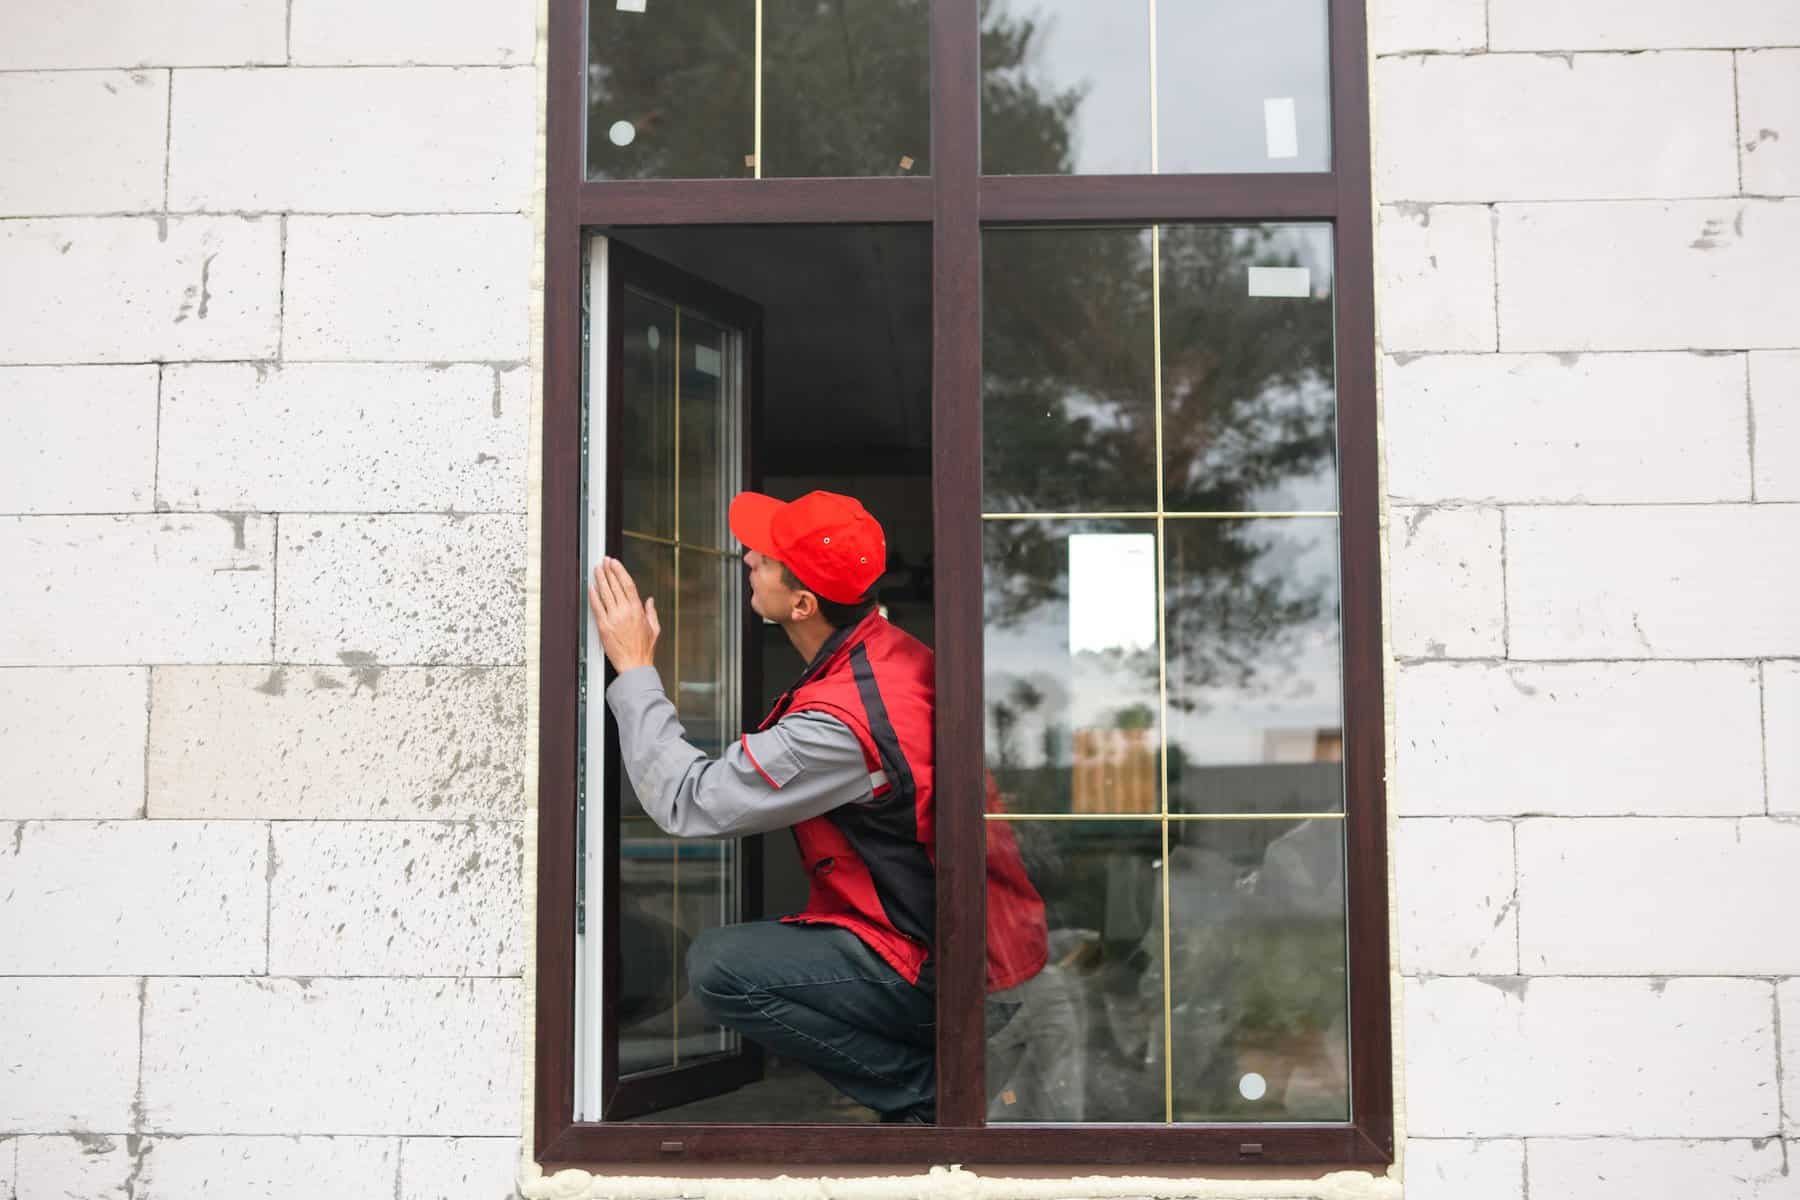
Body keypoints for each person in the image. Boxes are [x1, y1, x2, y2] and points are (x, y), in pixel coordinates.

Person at [587, 489, 1046, 1124]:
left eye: (766, 556)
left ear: (802, 604)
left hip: (957, 973)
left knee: (720, 967)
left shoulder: (840, 726)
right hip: (986, 948)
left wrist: (635, 668)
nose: (748, 556)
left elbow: (689, 801)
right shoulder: (891, 654)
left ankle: (929, 1097)